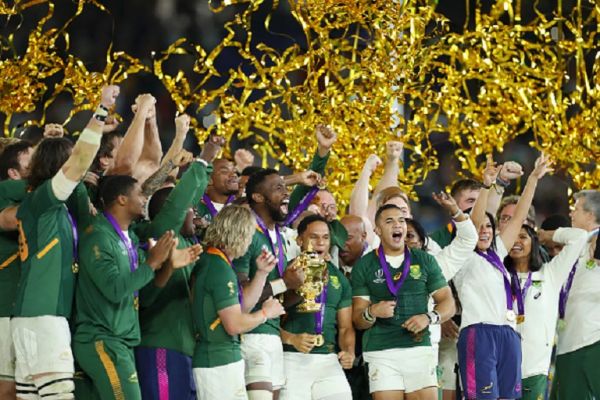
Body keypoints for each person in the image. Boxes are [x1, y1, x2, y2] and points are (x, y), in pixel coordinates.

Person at [11, 85, 119, 400]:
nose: (80, 166)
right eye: (71, 160)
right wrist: (99, 112)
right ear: (61, 165)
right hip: (44, 318)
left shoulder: (46, 204)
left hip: (32, 317)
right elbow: (79, 162)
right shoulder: (44, 198)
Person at [73, 175, 202, 400]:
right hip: (101, 339)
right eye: (140, 194)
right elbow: (114, 289)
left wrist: (168, 268)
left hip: (123, 340)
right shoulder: (99, 237)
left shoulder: (130, 239)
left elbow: (147, 297)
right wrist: (152, 262)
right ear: (122, 199)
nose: (145, 199)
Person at [452, 153, 552, 400]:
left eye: (489, 226)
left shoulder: (498, 251)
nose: (484, 231)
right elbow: (473, 225)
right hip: (479, 333)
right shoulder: (462, 253)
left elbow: (518, 218)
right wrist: (486, 186)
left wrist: (533, 179)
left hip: (508, 333)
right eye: (480, 227)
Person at [134, 129, 223, 400]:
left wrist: (204, 170)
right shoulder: (159, 233)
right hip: (160, 345)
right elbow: (179, 203)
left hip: (185, 347)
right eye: (189, 209)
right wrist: (204, 159)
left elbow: (189, 199)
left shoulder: (186, 242)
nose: (194, 212)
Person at [351, 204, 455, 399]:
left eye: (401, 220)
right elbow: (358, 319)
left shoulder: (425, 260)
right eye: (389, 221)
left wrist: (428, 317)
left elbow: (447, 302)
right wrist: (371, 312)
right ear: (378, 231)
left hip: (418, 348)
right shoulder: (364, 265)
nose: (397, 225)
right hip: (381, 351)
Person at [192, 205, 285, 400]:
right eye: (250, 234)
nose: (251, 241)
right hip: (216, 359)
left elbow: (242, 308)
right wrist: (265, 314)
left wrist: (261, 273)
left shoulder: (220, 262)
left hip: (224, 357)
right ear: (240, 234)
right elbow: (234, 324)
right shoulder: (217, 267)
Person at [233, 168, 305, 400]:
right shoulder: (246, 234)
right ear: (258, 197)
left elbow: (279, 297)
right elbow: (241, 295)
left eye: (286, 187)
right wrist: (285, 282)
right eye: (278, 188)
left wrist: (302, 289)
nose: (286, 193)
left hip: (272, 333)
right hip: (251, 333)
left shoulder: (279, 237)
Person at [504, 224, 587, 400]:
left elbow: (579, 237)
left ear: (534, 243)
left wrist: (545, 235)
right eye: (512, 236)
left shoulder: (550, 274)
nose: (516, 241)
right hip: (501, 366)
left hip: (534, 369)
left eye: (523, 237)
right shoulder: (498, 275)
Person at [280, 215, 355, 400]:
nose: (320, 242)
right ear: (299, 240)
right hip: (292, 358)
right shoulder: (285, 273)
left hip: (328, 359)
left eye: (325, 237)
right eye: (313, 237)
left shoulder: (339, 279)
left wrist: (349, 351)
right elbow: (267, 319)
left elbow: (346, 327)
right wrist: (291, 338)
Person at [551, 190, 600, 399]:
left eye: (576, 209)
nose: (571, 214)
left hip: (590, 342)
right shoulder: (578, 246)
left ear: (590, 215)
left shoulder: (597, 243)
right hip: (566, 342)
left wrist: (548, 234)